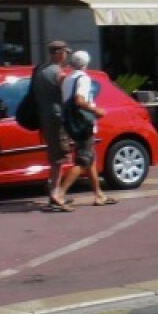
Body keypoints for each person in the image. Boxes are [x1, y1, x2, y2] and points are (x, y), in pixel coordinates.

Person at [53, 50, 113, 208]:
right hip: (83, 123)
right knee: (83, 160)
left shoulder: (68, 78)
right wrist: (96, 110)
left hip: (71, 123)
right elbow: (79, 100)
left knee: (90, 159)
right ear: (86, 63)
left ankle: (99, 195)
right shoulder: (83, 78)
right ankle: (59, 194)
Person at [31, 40, 72, 210]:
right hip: (57, 118)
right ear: (60, 53)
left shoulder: (40, 70)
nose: (66, 56)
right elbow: (67, 97)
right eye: (65, 53)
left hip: (44, 118)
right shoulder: (59, 74)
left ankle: (53, 191)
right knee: (58, 158)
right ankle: (55, 194)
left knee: (53, 155)